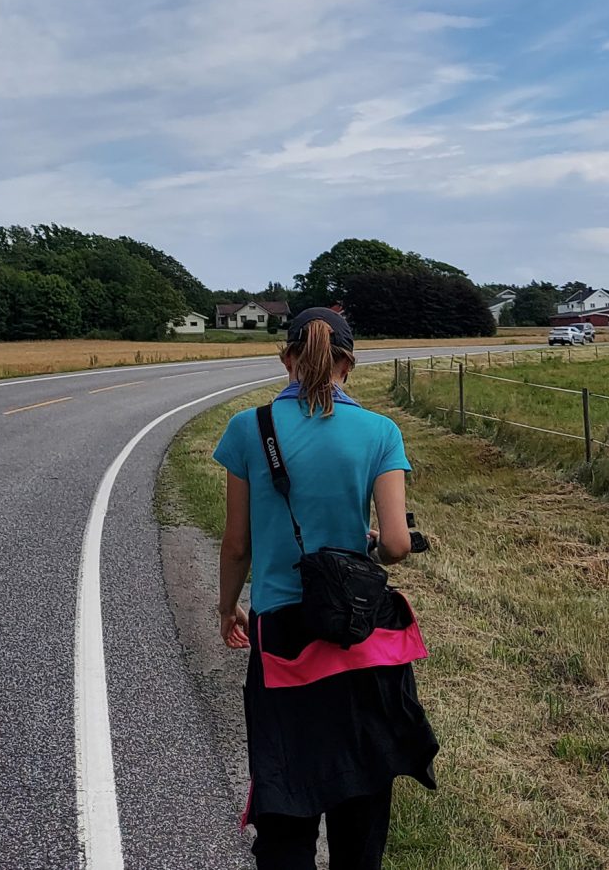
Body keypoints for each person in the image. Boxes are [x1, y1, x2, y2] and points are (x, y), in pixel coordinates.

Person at [212, 307, 438, 870]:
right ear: (349, 365)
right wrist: (365, 546)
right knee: (360, 788)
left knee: (286, 787)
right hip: (359, 633)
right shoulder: (381, 432)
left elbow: (237, 543)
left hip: (281, 634)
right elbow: (396, 544)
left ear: (286, 358)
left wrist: (226, 609)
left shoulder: (249, 428)